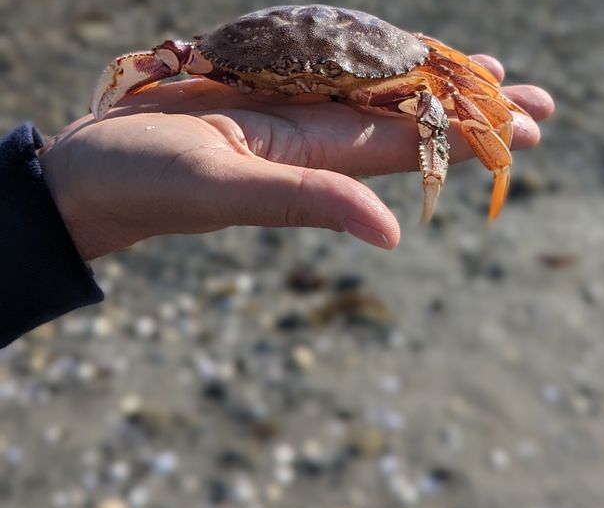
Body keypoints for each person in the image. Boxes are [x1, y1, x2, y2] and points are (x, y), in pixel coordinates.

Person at [0, 59, 554, 347]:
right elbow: (158, 61)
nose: (306, 75)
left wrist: (51, 189)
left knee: (455, 105)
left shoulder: (420, 69)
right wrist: (63, 178)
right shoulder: (198, 57)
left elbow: (455, 85)